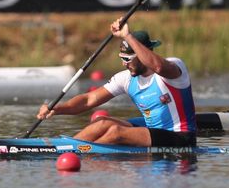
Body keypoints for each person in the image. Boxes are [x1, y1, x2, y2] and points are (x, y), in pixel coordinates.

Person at [36, 20, 197, 147]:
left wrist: (127, 36)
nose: (124, 64)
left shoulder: (173, 69)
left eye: (127, 59)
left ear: (142, 54)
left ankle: (80, 152)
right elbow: (88, 100)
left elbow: (158, 66)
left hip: (181, 136)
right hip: (152, 131)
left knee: (116, 132)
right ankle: (66, 147)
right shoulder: (126, 78)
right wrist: (56, 108)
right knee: (101, 123)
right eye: (121, 58)